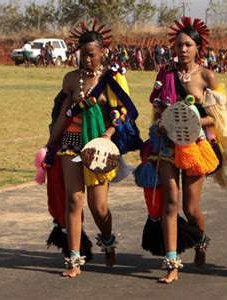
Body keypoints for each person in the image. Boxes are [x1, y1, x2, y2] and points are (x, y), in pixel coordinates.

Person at [42, 20, 142, 278]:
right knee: (74, 200)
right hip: (71, 142)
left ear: (102, 53)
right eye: (83, 54)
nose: (88, 59)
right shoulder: (70, 79)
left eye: (92, 54)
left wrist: (108, 136)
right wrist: (51, 143)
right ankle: (74, 259)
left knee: (98, 207)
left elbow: (124, 113)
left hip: (99, 144)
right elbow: (61, 113)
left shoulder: (112, 79)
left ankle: (107, 240)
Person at [139, 16, 227, 284]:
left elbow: (216, 117)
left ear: (197, 47)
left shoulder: (206, 76)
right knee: (170, 201)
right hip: (166, 146)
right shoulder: (164, 73)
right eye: (178, 45)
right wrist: (160, 124)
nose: (182, 50)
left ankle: (200, 243)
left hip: (194, 145)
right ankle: (172, 263)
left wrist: (191, 121)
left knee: (191, 208)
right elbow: (157, 109)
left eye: (188, 45)